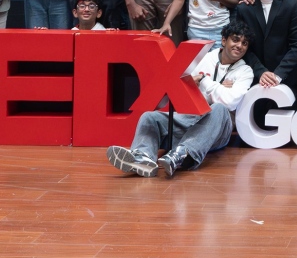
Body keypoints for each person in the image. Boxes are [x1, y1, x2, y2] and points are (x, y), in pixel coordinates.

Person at [108, 19, 255, 178]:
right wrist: (219, 88)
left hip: (218, 129)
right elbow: (180, 87)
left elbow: (230, 102)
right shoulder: (202, 59)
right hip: (190, 118)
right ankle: (143, 158)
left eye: (244, 43)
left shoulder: (245, 71)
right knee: (149, 117)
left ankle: (182, 155)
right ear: (224, 40)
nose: (239, 46)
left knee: (219, 108)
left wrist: (203, 80)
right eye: (235, 40)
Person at [232, 0, 297, 97]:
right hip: (254, 75)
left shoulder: (291, 5)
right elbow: (243, 46)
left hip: (285, 76)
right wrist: (261, 71)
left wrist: (278, 74)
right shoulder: (244, 8)